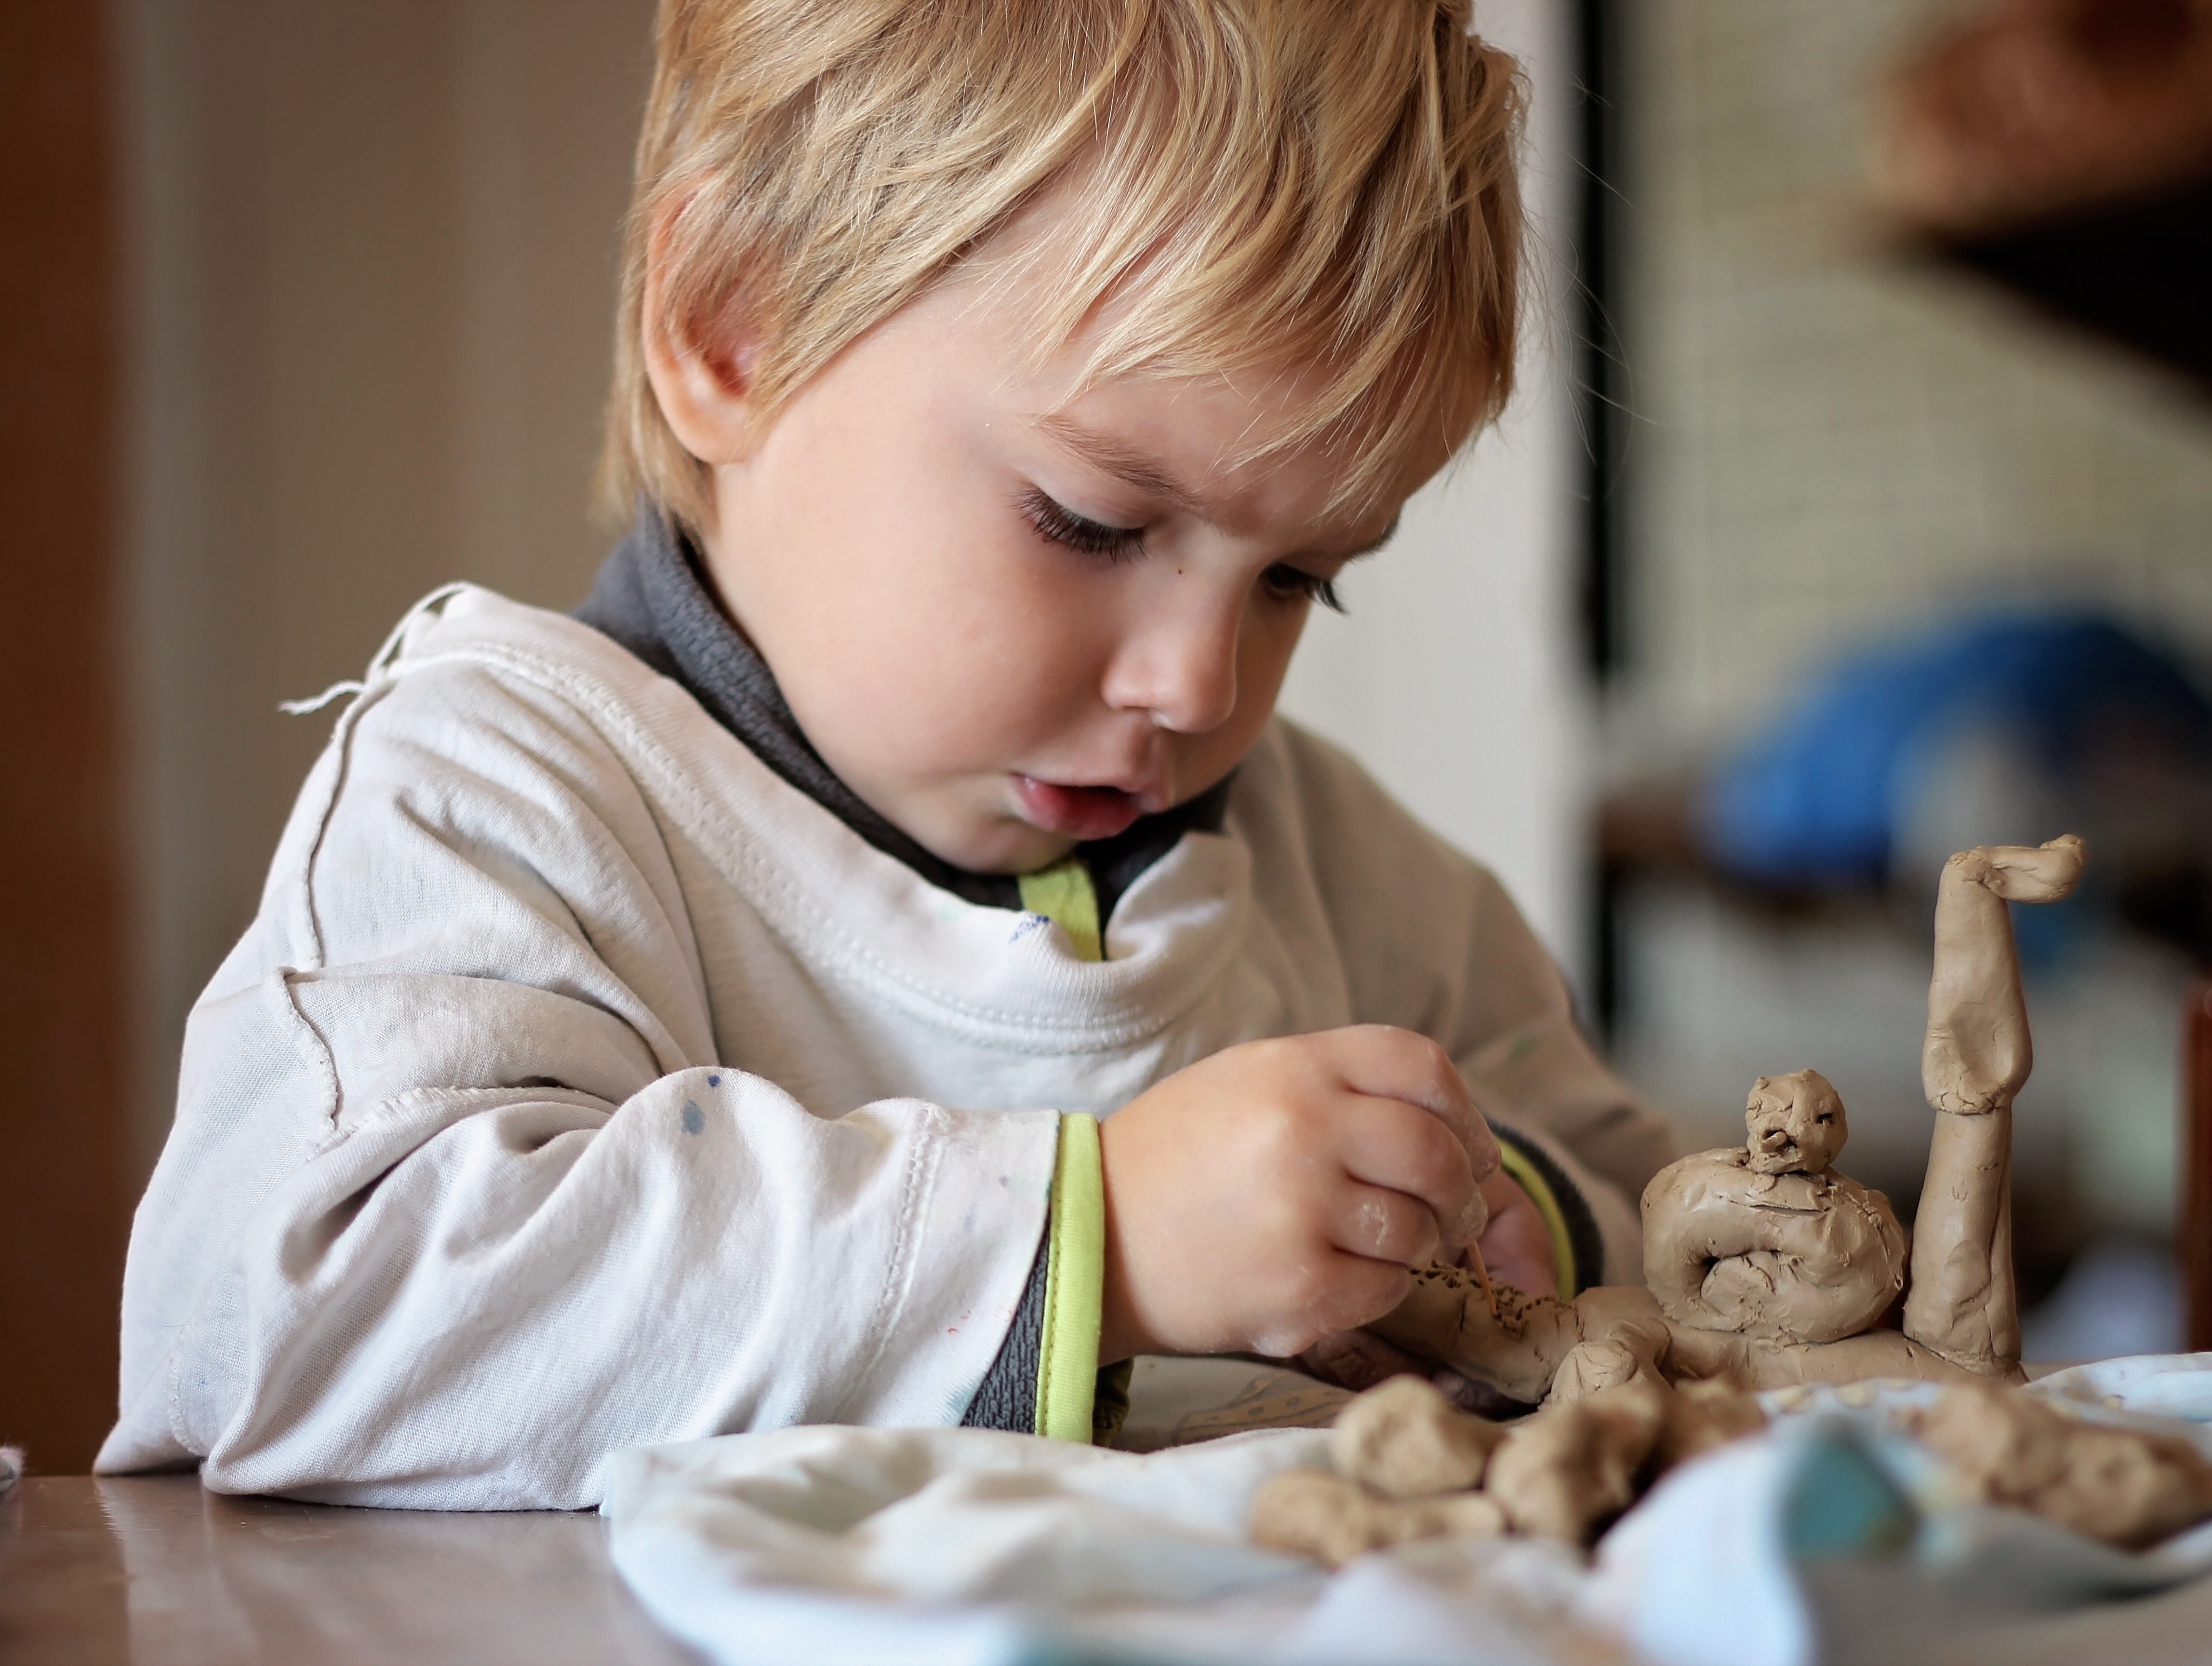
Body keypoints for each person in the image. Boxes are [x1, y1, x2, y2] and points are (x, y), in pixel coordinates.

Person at [99, 0, 1676, 1508]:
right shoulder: (509, 793)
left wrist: (1489, 1232)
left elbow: (1634, 1195)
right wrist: (1102, 1244)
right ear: (730, 322)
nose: (1198, 683)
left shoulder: (1339, 872)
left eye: (1295, 580)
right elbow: (289, 1320)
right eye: (1092, 522)